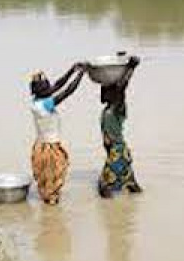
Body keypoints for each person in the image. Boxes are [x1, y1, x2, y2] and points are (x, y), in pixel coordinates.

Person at [29, 63, 86, 205]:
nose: (51, 88)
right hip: (50, 149)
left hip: (40, 146)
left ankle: (48, 212)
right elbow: (67, 91)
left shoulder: (36, 102)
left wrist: (72, 70)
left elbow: (59, 85)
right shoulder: (46, 104)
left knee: (46, 180)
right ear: (42, 91)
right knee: (54, 180)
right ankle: (52, 217)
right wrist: (81, 75)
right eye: (47, 87)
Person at [97, 55, 143, 198]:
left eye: (105, 91)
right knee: (132, 187)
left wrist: (130, 68)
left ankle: (115, 218)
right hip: (115, 152)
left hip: (117, 152)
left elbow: (122, 87)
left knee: (104, 188)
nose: (102, 93)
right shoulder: (108, 109)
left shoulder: (118, 107)